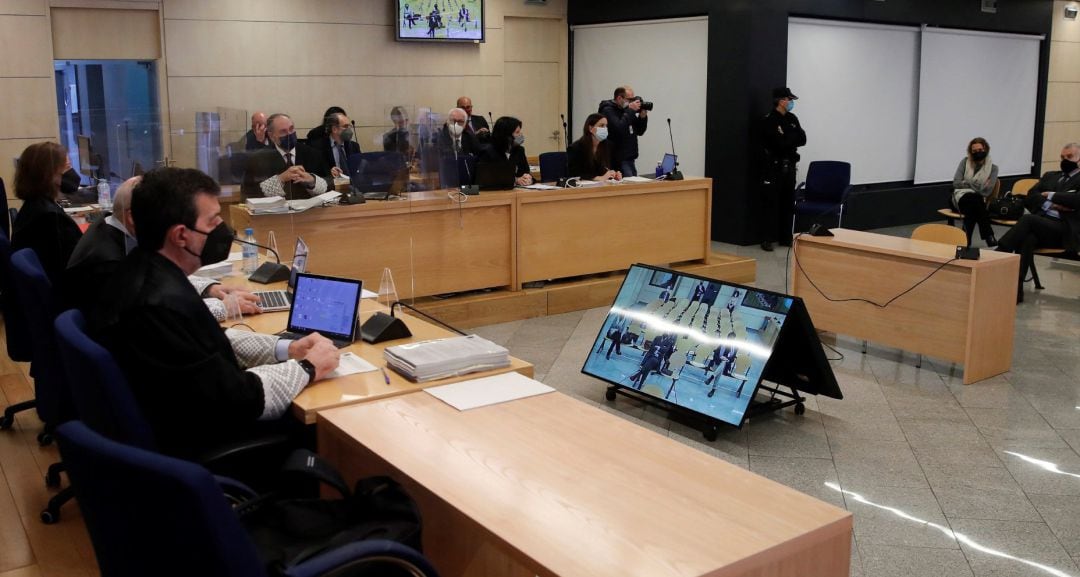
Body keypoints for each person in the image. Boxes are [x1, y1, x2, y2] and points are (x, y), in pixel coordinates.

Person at [87, 167, 340, 461]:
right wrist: (308, 368)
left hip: (187, 420)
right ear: (181, 236)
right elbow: (239, 399)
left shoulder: (145, 271)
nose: (223, 229)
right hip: (207, 444)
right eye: (214, 221)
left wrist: (286, 348)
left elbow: (211, 344)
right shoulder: (159, 304)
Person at [65, 176, 261, 318]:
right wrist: (223, 307)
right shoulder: (108, 262)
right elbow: (157, 310)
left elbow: (161, 279)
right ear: (134, 217)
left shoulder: (111, 227)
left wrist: (208, 288)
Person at [996, 143, 1080, 303]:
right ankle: (1017, 290)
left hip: (1066, 229)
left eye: (1070, 157)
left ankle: (1000, 251)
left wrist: (1050, 194)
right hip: (1043, 225)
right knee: (1028, 239)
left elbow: (1077, 200)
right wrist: (1051, 203)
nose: (1065, 160)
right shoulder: (1050, 175)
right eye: (1062, 157)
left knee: (1028, 220)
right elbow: (1030, 196)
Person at [11, 142, 83, 285]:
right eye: (67, 167)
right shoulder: (49, 217)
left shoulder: (35, 205)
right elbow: (76, 265)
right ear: (49, 175)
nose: (71, 173)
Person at [758, 87, 806, 252]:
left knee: (787, 203)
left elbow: (803, 138)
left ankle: (786, 237)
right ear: (781, 100)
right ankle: (767, 239)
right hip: (774, 167)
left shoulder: (792, 118)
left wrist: (786, 137)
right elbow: (777, 143)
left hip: (790, 166)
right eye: (789, 99)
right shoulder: (769, 120)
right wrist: (789, 138)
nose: (791, 103)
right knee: (770, 203)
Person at [242, 113, 330, 198]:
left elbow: (330, 184)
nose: (289, 134)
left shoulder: (312, 153)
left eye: (291, 129)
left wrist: (312, 181)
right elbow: (248, 192)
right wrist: (280, 179)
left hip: (311, 211)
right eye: (283, 131)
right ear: (271, 135)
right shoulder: (259, 159)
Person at [951, 137, 999, 247]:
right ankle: (988, 235)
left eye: (980, 150)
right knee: (976, 199)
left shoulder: (993, 168)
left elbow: (987, 191)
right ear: (971, 152)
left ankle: (965, 240)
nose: (978, 153)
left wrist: (967, 183)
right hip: (958, 198)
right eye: (974, 151)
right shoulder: (964, 162)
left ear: (986, 149)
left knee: (973, 205)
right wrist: (977, 186)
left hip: (976, 201)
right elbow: (956, 183)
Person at [598, 86, 648, 177]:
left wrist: (642, 117)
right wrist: (630, 111)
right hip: (618, 160)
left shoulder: (626, 111)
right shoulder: (608, 110)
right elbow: (618, 129)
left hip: (630, 158)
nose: (632, 102)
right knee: (628, 188)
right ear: (619, 98)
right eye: (629, 99)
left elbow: (640, 131)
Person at [479, 116, 533, 186]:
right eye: (517, 132)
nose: (521, 135)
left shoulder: (520, 150)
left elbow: (526, 173)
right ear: (506, 135)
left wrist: (529, 179)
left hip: (518, 192)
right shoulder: (488, 152)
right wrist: (515, 180)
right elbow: (488, 179)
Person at [567, 113, 621, 182]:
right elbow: (574, 173)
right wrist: (597, 178)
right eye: (601, 126)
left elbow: (614, 166)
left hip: (605, 185)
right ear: (591, 128)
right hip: (584, 187)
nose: (605, 129)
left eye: (606, 126)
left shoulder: (609, 146)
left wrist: (616, 174)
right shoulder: (576, 148)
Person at [312, 112, 362, 179]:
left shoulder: (354, 146)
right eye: (345, 126)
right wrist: (330, 172)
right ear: (334, 129)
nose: (349, 130)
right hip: (331, 186)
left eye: (349, 126)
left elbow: (359, 169)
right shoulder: (318, 147)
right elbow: (316, 173)